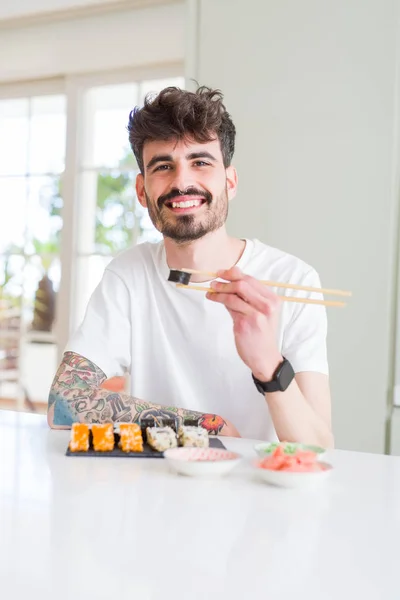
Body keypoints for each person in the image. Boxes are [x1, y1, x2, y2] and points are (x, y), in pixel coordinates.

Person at [47, 85, 333, 446]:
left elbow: (319, 449)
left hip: (258, 493)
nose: (182, 182)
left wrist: (269, 366)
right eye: (163, 166)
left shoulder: (293, 279)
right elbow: (64, 401)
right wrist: (205, 424)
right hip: (155, 490)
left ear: (229, 181)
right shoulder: (129, 274)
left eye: (200, 162)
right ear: (141, 191)